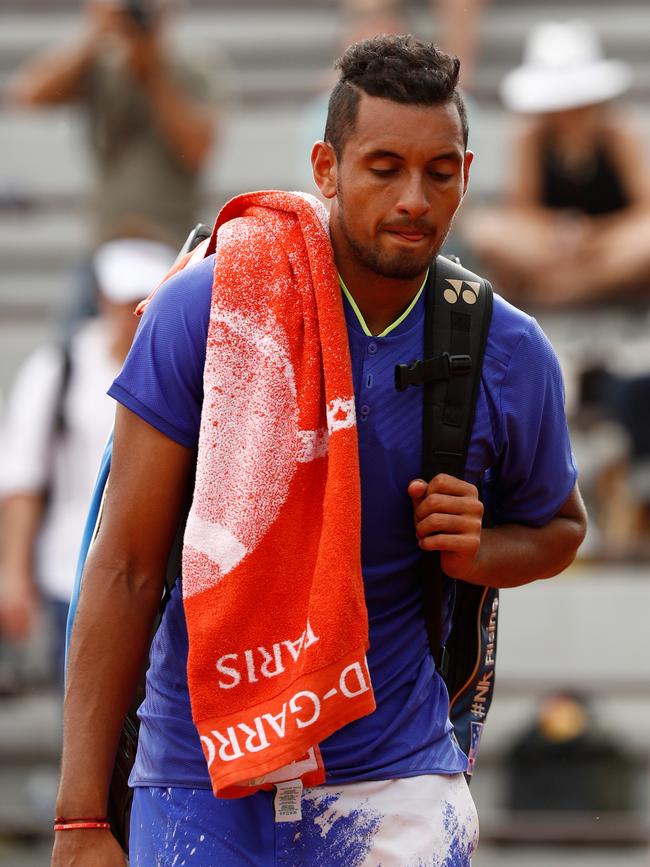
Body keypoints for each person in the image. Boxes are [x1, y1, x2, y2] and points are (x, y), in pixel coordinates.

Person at [52, 35, 586, 866]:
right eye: (383, 167)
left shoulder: (507, 348)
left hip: (395, 774)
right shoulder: (205, 310)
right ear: (326, 167)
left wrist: (480, 549)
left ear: (467, 175)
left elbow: (561, 527)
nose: (414, 197)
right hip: (201, 772)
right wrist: (81, 817)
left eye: (439, 172)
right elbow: (122, 564)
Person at [0, 238, 176, 685]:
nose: (131, 316)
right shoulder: (59, 367)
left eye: (142, 303)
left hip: (158, 581)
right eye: (123, 303)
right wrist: (14, 573)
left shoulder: (178, 368)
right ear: (102, 299)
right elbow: (23, 476)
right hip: (69, 573)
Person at [462, 20, 650, 308]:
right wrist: (560, 231)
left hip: (610, 243)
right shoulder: (531, 136)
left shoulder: (618, 134)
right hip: (552, 246)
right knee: (487, 229)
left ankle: (558, 290)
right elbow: (522, 210)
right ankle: (598, 286)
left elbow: (643, 209)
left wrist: (594, 235)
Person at [8, 0, 217, 249]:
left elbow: (196, 149)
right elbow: (31, 96)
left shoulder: (192, 67)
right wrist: (95, 35)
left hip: (171, 238)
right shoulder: (100, 63)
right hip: (106, 236)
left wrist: (153, 74)